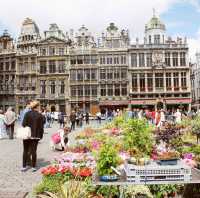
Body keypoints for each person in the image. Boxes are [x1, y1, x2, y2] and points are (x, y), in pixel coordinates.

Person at [22, 101, 45, 172]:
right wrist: (41, 136)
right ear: (37, 106)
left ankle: (24, 166)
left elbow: (23, 124)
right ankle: (33, 167)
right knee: (34, 151)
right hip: (36, 135)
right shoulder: (40, 115)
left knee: (25, 150)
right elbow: (42, 126)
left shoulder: (27, 114)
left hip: (27, 135)